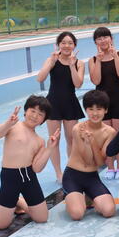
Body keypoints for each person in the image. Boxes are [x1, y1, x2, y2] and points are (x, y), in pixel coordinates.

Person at [0, 96, 59, 229]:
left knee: (42, 218)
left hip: (29, 177)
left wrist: (49, 148)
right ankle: (15, 200)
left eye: (40, 114)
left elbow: (37, 168)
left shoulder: (39, 141)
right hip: (10, 177)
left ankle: (19, 202)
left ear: (43, 120)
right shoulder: (13, 127)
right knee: (1, 225)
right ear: (25, 111)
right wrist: (7, 124)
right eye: (32, 111)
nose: (35, 116)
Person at [37, 31, 85, 183]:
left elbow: (78, 84)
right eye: (63, 43)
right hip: (53, 104)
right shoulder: (52, 60)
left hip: (70, 103)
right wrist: (50, 63)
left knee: (72, 139)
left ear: (74, 45)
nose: (66, 46)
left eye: (70, 43)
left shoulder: (79, 63)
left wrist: (71, 65)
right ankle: (58, 173)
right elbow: (40, 78)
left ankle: (71, 170)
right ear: (58, 45)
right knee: (54, 140)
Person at [62, 90, 118, 221]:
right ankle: (73, 198)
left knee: (109, 211)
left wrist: (91, 142)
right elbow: (87, 160)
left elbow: (100, 163)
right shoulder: (78, 129)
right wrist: (87, 143)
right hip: (73, 176)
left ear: (105, 110)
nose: (95, 113)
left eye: (99, 109)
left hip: (92, 177)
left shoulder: (110, 132)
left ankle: (88, 197)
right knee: (77, 214)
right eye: (91, 109)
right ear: (86, 110)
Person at [88, 26, 119, 179]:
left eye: (105, 37)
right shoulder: (93, 60)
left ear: (111, 39)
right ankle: (110, 167)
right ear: (95, 43)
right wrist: (99, 61)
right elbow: (96, 80)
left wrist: (115, 57)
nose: (103, 40)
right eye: (99, 38)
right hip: (101, 103)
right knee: (105, 136)